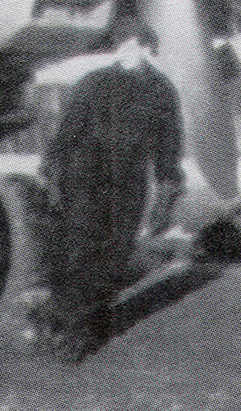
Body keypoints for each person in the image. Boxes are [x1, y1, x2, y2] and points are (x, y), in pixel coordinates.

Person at [34, 33, 184, 359]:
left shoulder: (161, 91)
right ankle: (64, 333)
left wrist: (165, 196)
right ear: (118, 49)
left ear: (149, 49)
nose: (130, 51)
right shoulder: (94, 82)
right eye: (124, 43)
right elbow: (67, 130)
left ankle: (88, 328)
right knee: (79, 252)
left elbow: (168, 148)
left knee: (115, 255)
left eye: (138, 44)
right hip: (84, 180)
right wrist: (50, 169)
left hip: (128, 186)